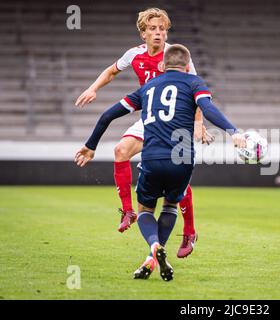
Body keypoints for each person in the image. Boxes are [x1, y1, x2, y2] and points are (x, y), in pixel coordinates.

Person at [75, 44, 246, 280]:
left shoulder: (148, 87)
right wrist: (233, 131)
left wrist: (91, 145)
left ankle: (154, 244)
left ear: (163, 66)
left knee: (145, 210)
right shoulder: (195, 83)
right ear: (187, 67)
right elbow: (207, 108)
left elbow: (107, 115)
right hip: (183, 160)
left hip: (153, 158)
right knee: (170, 206)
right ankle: (152, 256)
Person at [74, 8, 210, 258]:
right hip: (149, 118)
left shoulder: (178, 57)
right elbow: (111, 71)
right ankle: (128, 211)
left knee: (178, 177)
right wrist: (93, 88)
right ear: (143, 33)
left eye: (162, 29)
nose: (158, 33)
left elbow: (196, 90)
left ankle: (190, 231)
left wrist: (198, 123)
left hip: (176, 123)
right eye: (153, 29)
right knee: (120, 150)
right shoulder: (134, 55)